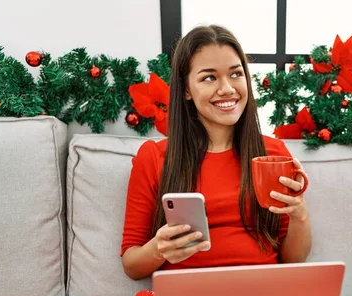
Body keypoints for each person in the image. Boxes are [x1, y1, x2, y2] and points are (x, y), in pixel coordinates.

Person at [120, 25, 311, 280]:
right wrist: (158, 250)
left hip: (262, 295)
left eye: (236, 74)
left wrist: (299, 215)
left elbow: (293, 260)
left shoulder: (273, 154)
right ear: (186, 89)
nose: (227, 89)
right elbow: (131, 265)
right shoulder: (154, 157)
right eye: (209, 77)